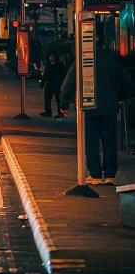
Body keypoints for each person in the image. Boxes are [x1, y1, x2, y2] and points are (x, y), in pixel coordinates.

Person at [60, 33, 133, 185]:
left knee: (91, 142)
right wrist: (120, 98)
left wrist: (63, 103)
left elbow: (69, 82)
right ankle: (110, 175)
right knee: (109, 141)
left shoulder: (83, 59)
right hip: (110, 107)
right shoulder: (113, 60)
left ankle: (95, 175)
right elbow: (127, 83)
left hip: (89, 107)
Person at [39, 51, 66, 118]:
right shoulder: (48, 65)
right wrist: (42, 83)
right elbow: (45, 75)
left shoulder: (60, 65)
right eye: (50, 57)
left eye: (52, 56)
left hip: (57, 84)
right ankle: (48, 112)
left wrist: (63, 83)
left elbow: (64, 74)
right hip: (49, 85)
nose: (51, 58)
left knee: (58, 100)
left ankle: (60, 113)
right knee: (47, 99)